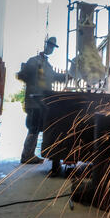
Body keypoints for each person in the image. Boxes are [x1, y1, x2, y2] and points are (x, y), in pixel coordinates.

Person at [17, 37, 66, 170]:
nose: (51, 49)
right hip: (34, 101)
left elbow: (54, 76)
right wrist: (29, 76)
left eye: (53, 47)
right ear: (45, 45)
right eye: (50, 46)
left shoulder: (47, 64)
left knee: (37, 127)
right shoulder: (34, 61)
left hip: (41, 102)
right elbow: (22, 75)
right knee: (33, 127)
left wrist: (67, 76)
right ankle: (26, 156)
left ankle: (29, 154)